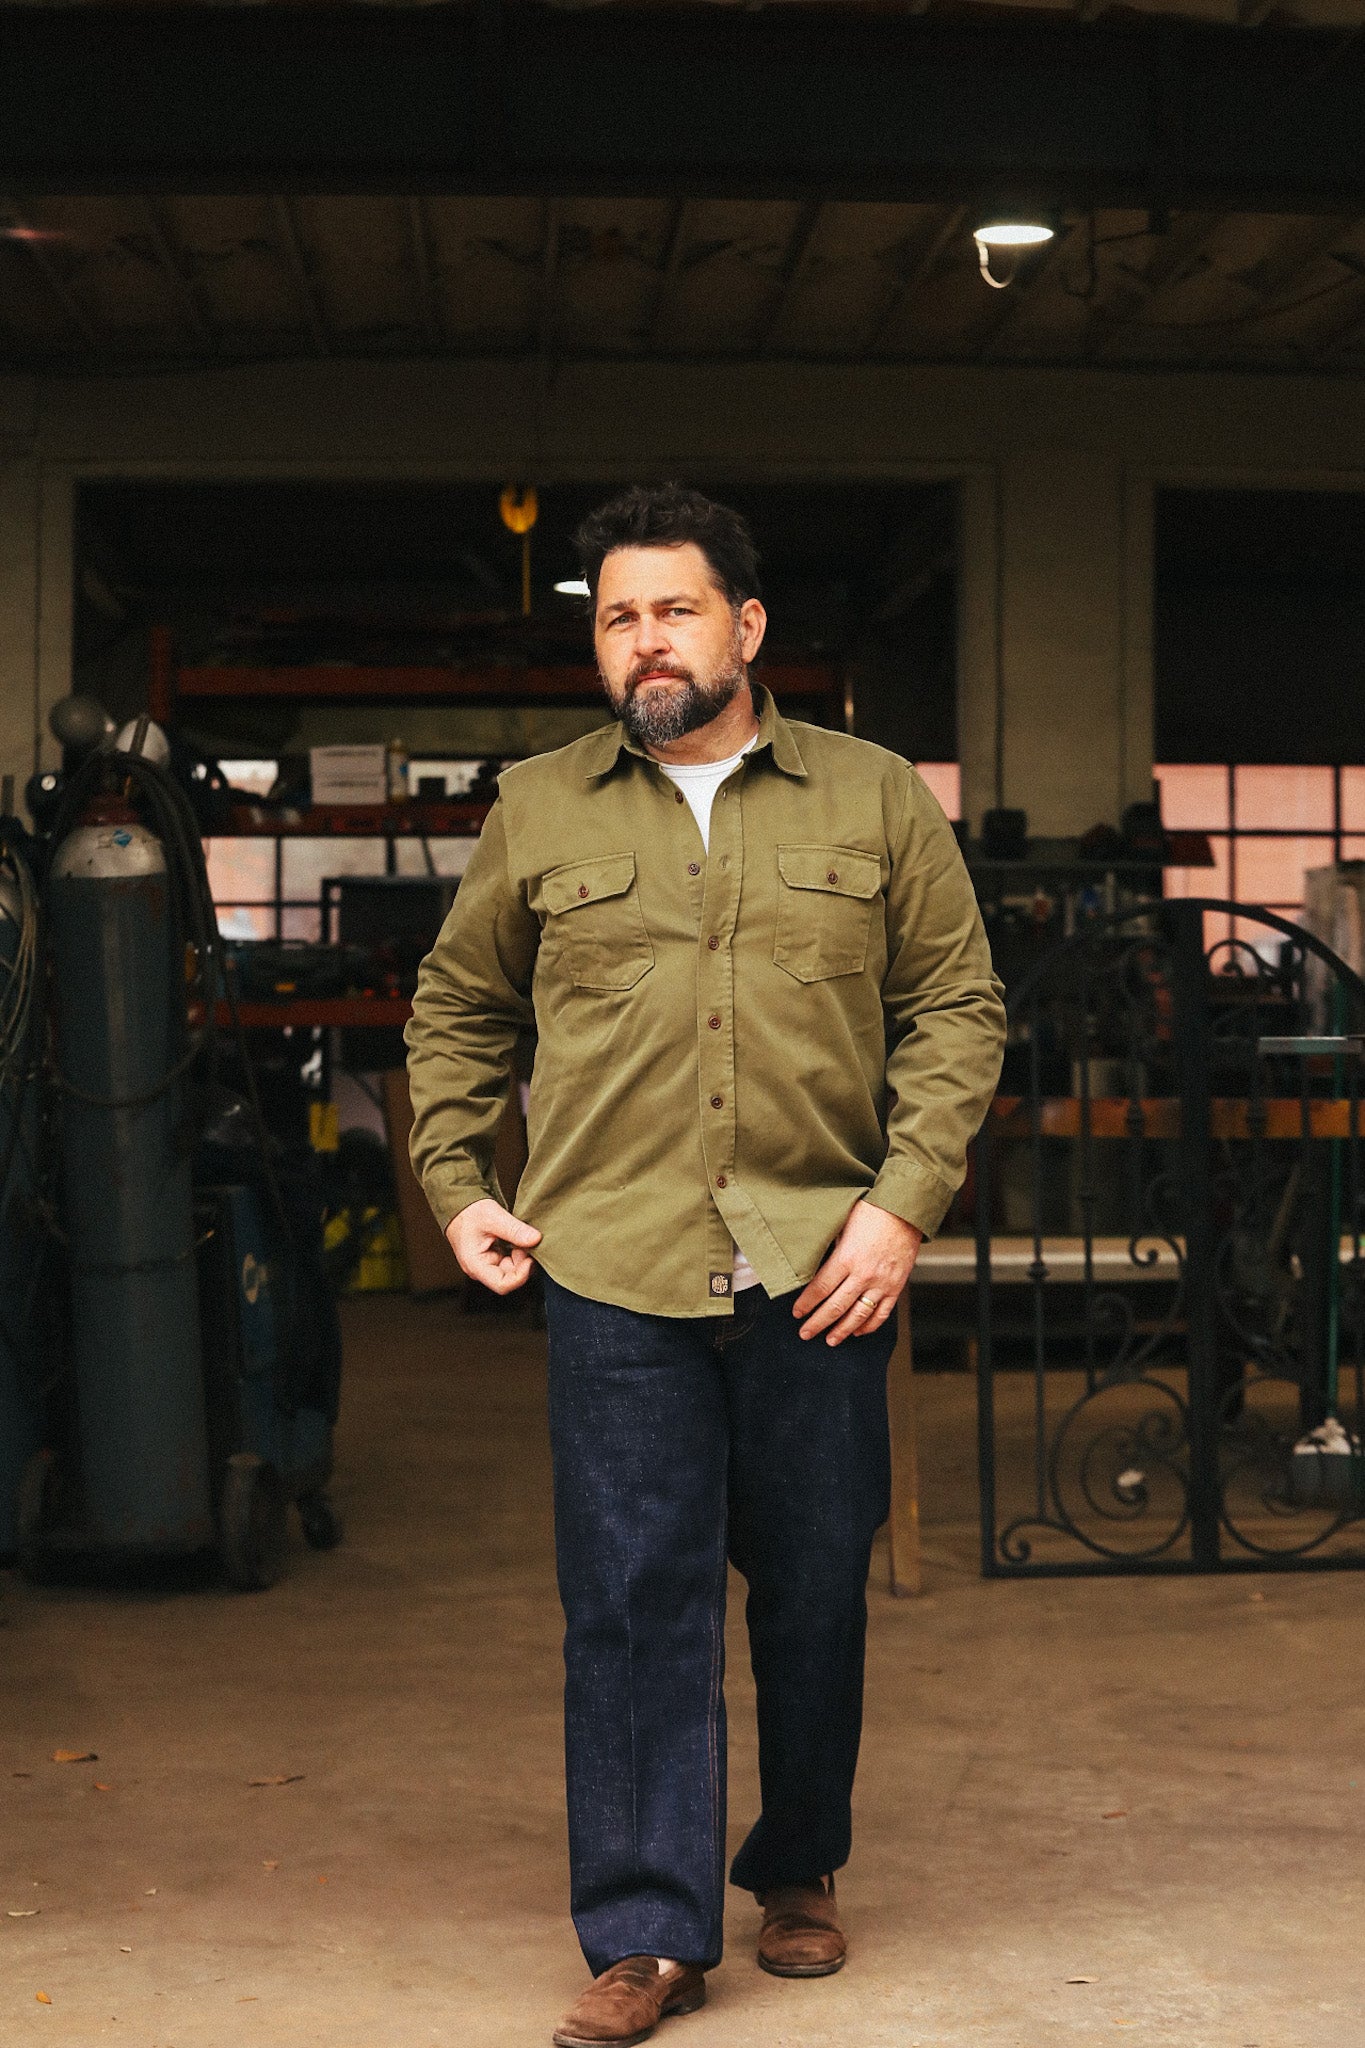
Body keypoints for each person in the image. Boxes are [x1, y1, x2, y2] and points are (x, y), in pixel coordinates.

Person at [405, 484, 1006, 2047]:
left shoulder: (872, 798)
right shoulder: (539, 808)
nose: (643, 639)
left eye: (672, 609)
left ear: (744, 626)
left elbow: (957, 1009)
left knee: (809, 1591)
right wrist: (456, 1180)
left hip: (822, 1263)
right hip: (612, 1268)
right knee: (626, 1600)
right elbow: (459, 1008)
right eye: (614, 616)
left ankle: (796, 1866)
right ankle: (648, 1929)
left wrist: (900, 1205)